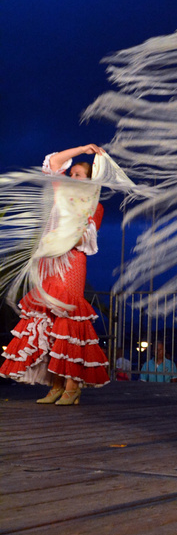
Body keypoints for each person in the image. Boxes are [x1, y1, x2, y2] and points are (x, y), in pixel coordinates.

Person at [0, 145, 110, 404]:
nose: (72, 178)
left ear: (90, 180)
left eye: (78, 175)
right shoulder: (60, 194)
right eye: (70, 174)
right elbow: (51, 163)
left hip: (71, 262)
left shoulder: (95, 206)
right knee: (48, 319)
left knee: (67, 321)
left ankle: (72, 385)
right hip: (50, 262)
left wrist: (66, 233)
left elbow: (85, 238)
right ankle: (56, 385)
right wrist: (83, 149)